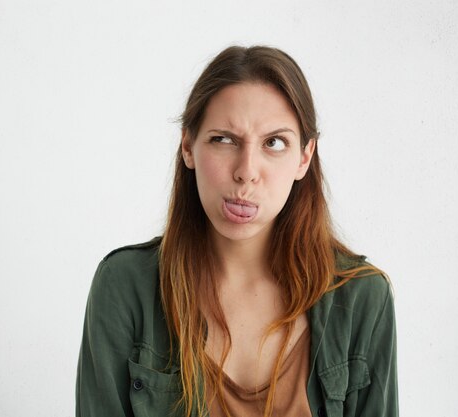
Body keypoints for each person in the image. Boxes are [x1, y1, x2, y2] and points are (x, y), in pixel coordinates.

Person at [76, 45, 398, 417]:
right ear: (188, 147)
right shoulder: (124, 286)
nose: (246, 171)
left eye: (274, 143)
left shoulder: (363, 298)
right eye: (224, 139)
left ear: (304, 157)